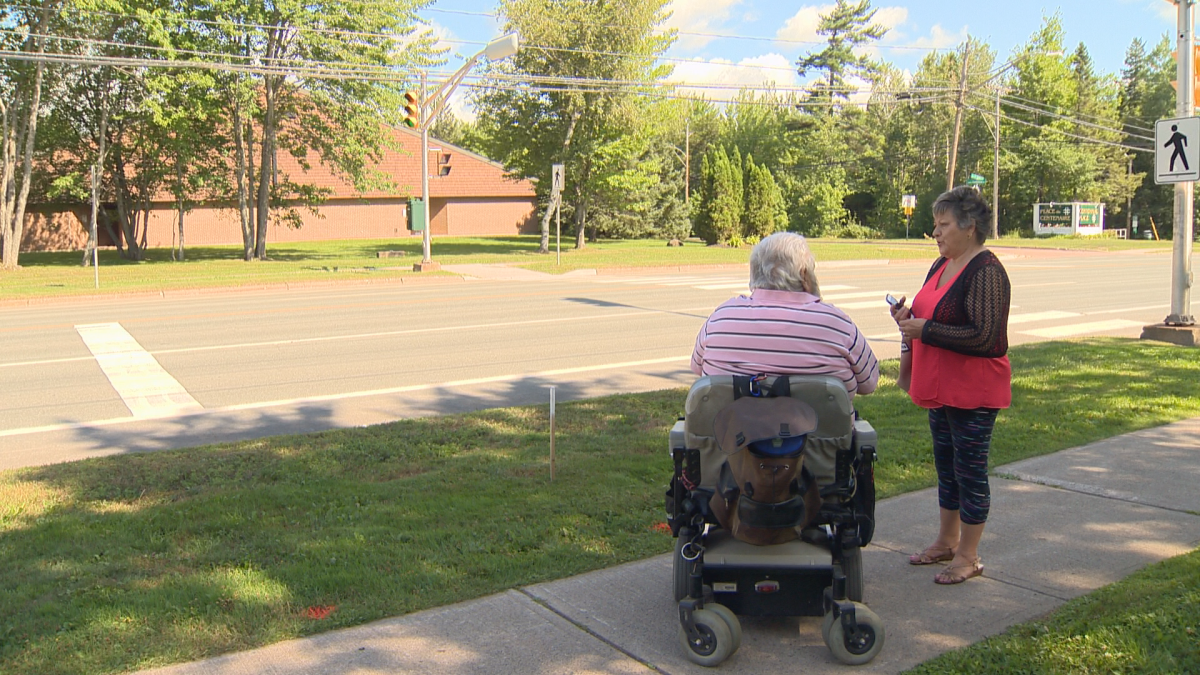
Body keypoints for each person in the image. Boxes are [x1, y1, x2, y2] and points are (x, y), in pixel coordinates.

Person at [890, 186, 1011, 585]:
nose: (936, 233)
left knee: (969, 471)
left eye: (943, 225)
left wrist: (927, 330)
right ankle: (946, 541)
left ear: (969, 226)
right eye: (935, 225)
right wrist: (908, 318)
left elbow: (986, 337)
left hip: (974, 392)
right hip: (942, 387)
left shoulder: (987, 271)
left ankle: (969, 556)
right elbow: (934, 314)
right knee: (947, 467)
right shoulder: (941, 264)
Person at [691, 231, 879, 397]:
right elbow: (869, 383)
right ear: (806, 275)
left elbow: (697, 368)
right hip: (819, 428)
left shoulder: (721, 318)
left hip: (731, 427)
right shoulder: (836, 324)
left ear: (754, 271)